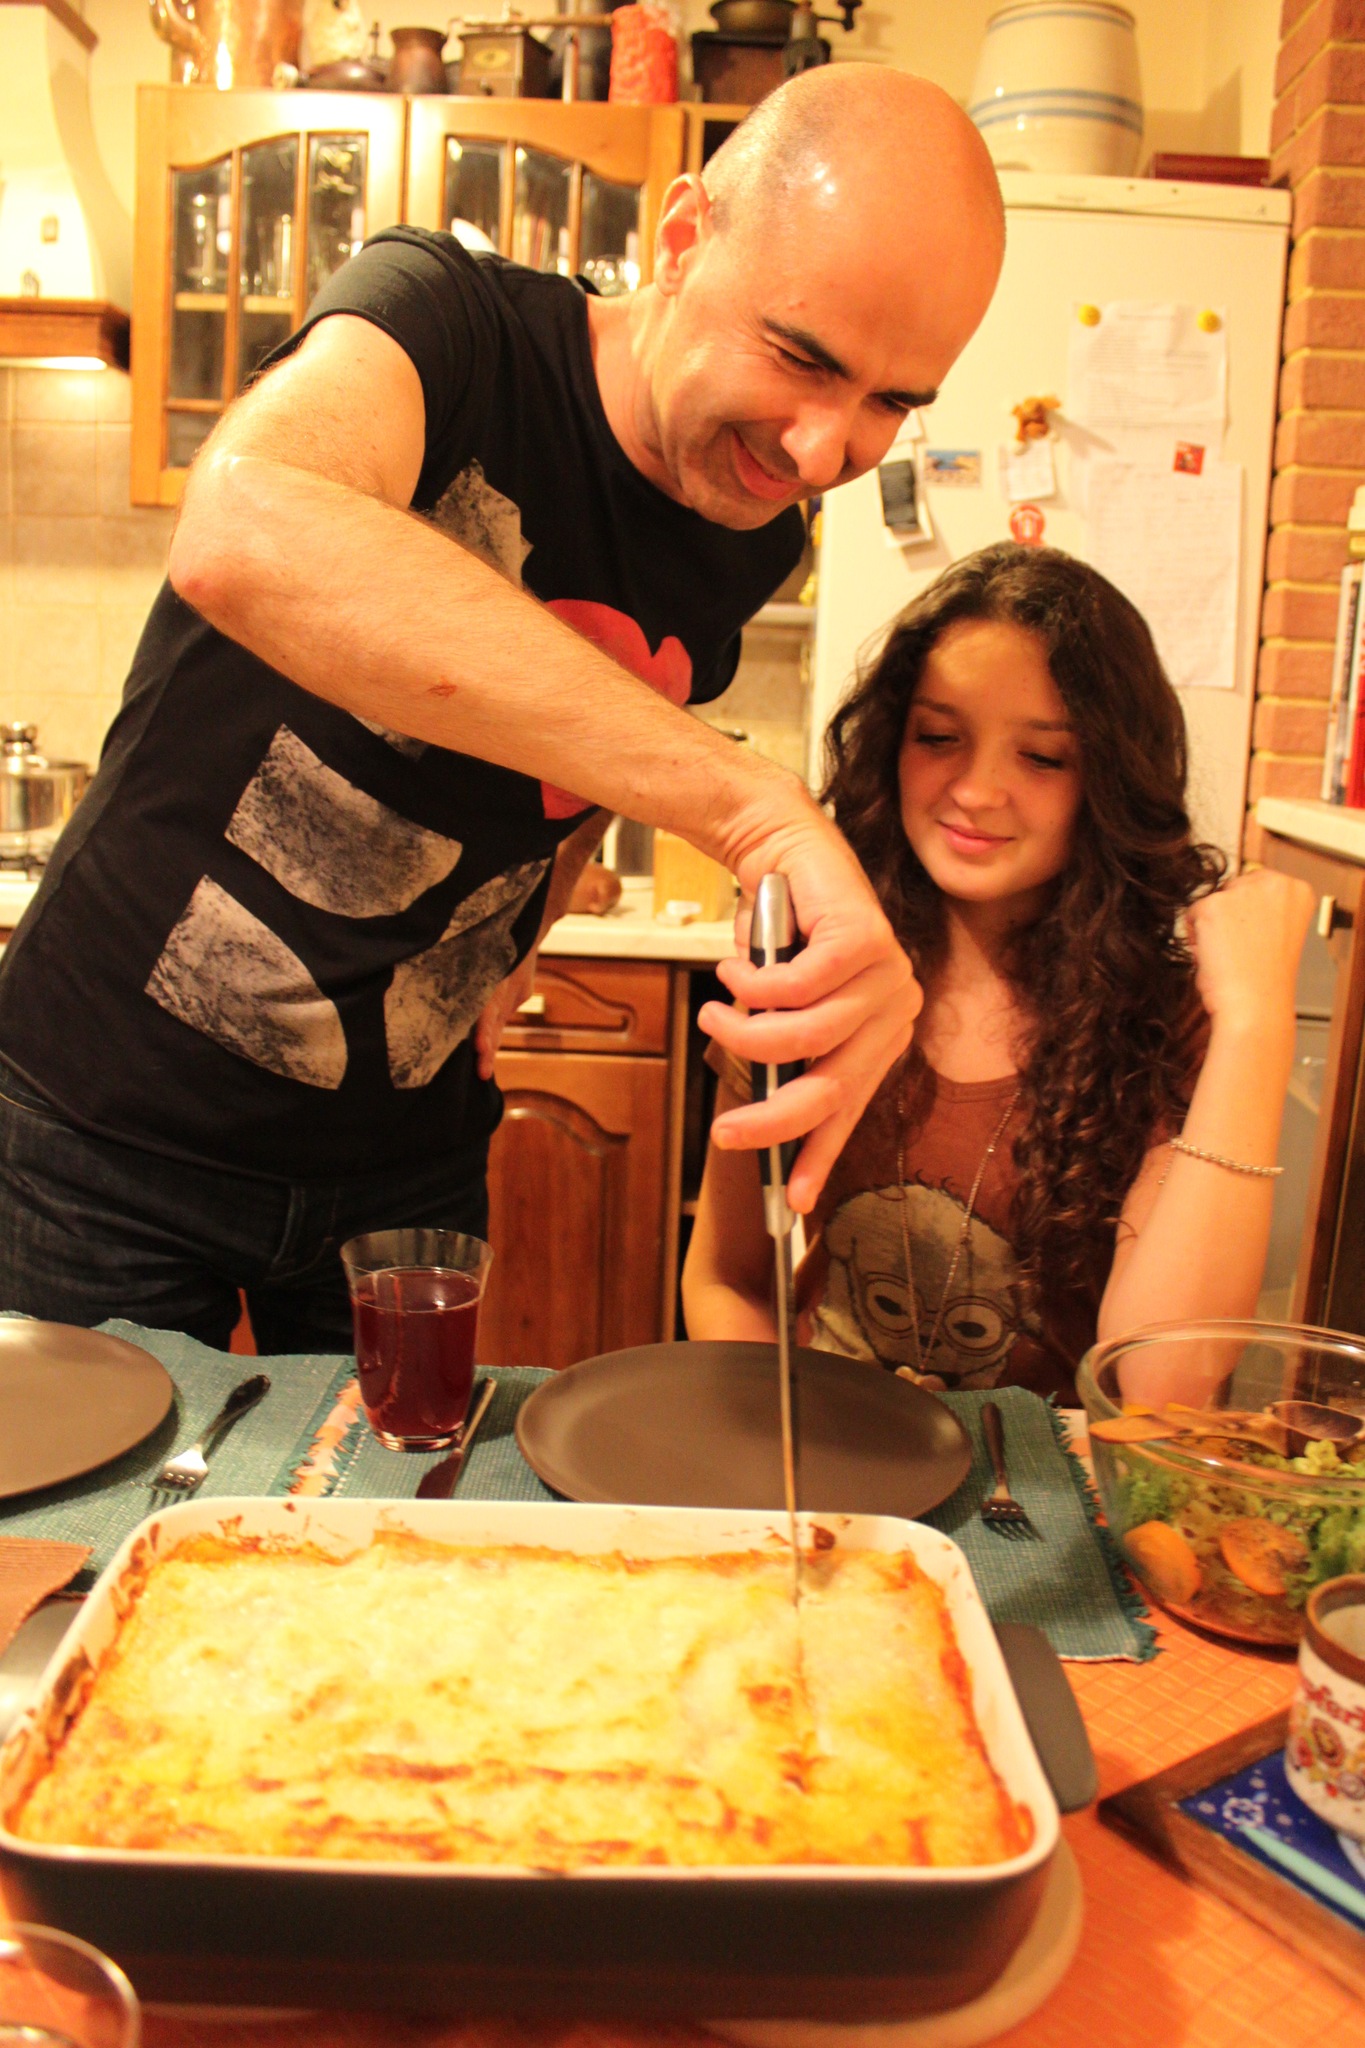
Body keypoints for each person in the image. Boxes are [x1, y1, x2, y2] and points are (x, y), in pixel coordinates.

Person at [0, 66, 1006, 1351]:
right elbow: (247, 524)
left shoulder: (755, 528)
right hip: (100, 1126)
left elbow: (597, 746)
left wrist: (522, 930)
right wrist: (754, 805)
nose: (823, 452)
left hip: (403, 1159)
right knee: (97, 1484)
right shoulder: (447, 321)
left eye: (892, 402)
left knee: (400, 1482)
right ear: (682, 238)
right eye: (801, 356)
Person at [682, 545, 1315, 1398]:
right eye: (939, 738)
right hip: (830, 1453)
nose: (977, 792)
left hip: (1044, 1470)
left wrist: (1255, 1021)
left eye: (1042, 757)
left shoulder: (1164, 1018)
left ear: (1107, 777)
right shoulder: (809, 974)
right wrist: (781, 1436)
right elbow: (726, 1280)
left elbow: (1159, 1382)